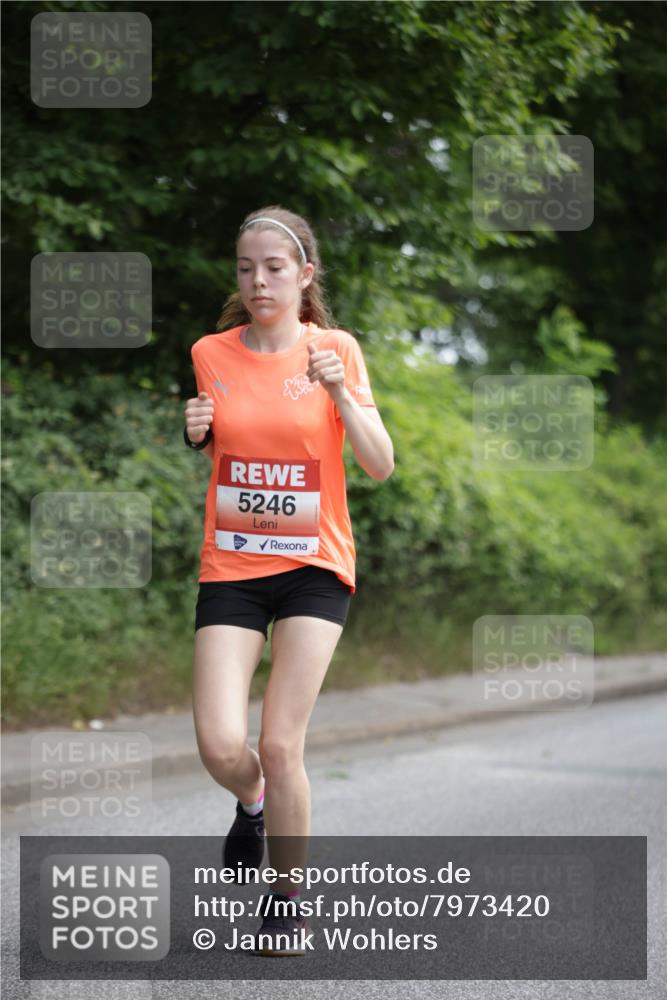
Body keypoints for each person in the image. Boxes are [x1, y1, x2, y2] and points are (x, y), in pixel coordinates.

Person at [184, 206, 394, 956]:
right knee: (217, 743)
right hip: (233, 568)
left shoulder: (334, 347)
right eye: (246, 268)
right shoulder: (209, 351)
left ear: (304, 276)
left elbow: (379, 463)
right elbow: (231, 459)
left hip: (314, 567)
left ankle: (287, 901)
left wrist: (339, 393)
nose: (258, 280)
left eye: (274, 267)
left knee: (279, 741)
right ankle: (250, 802)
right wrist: (198, 432)